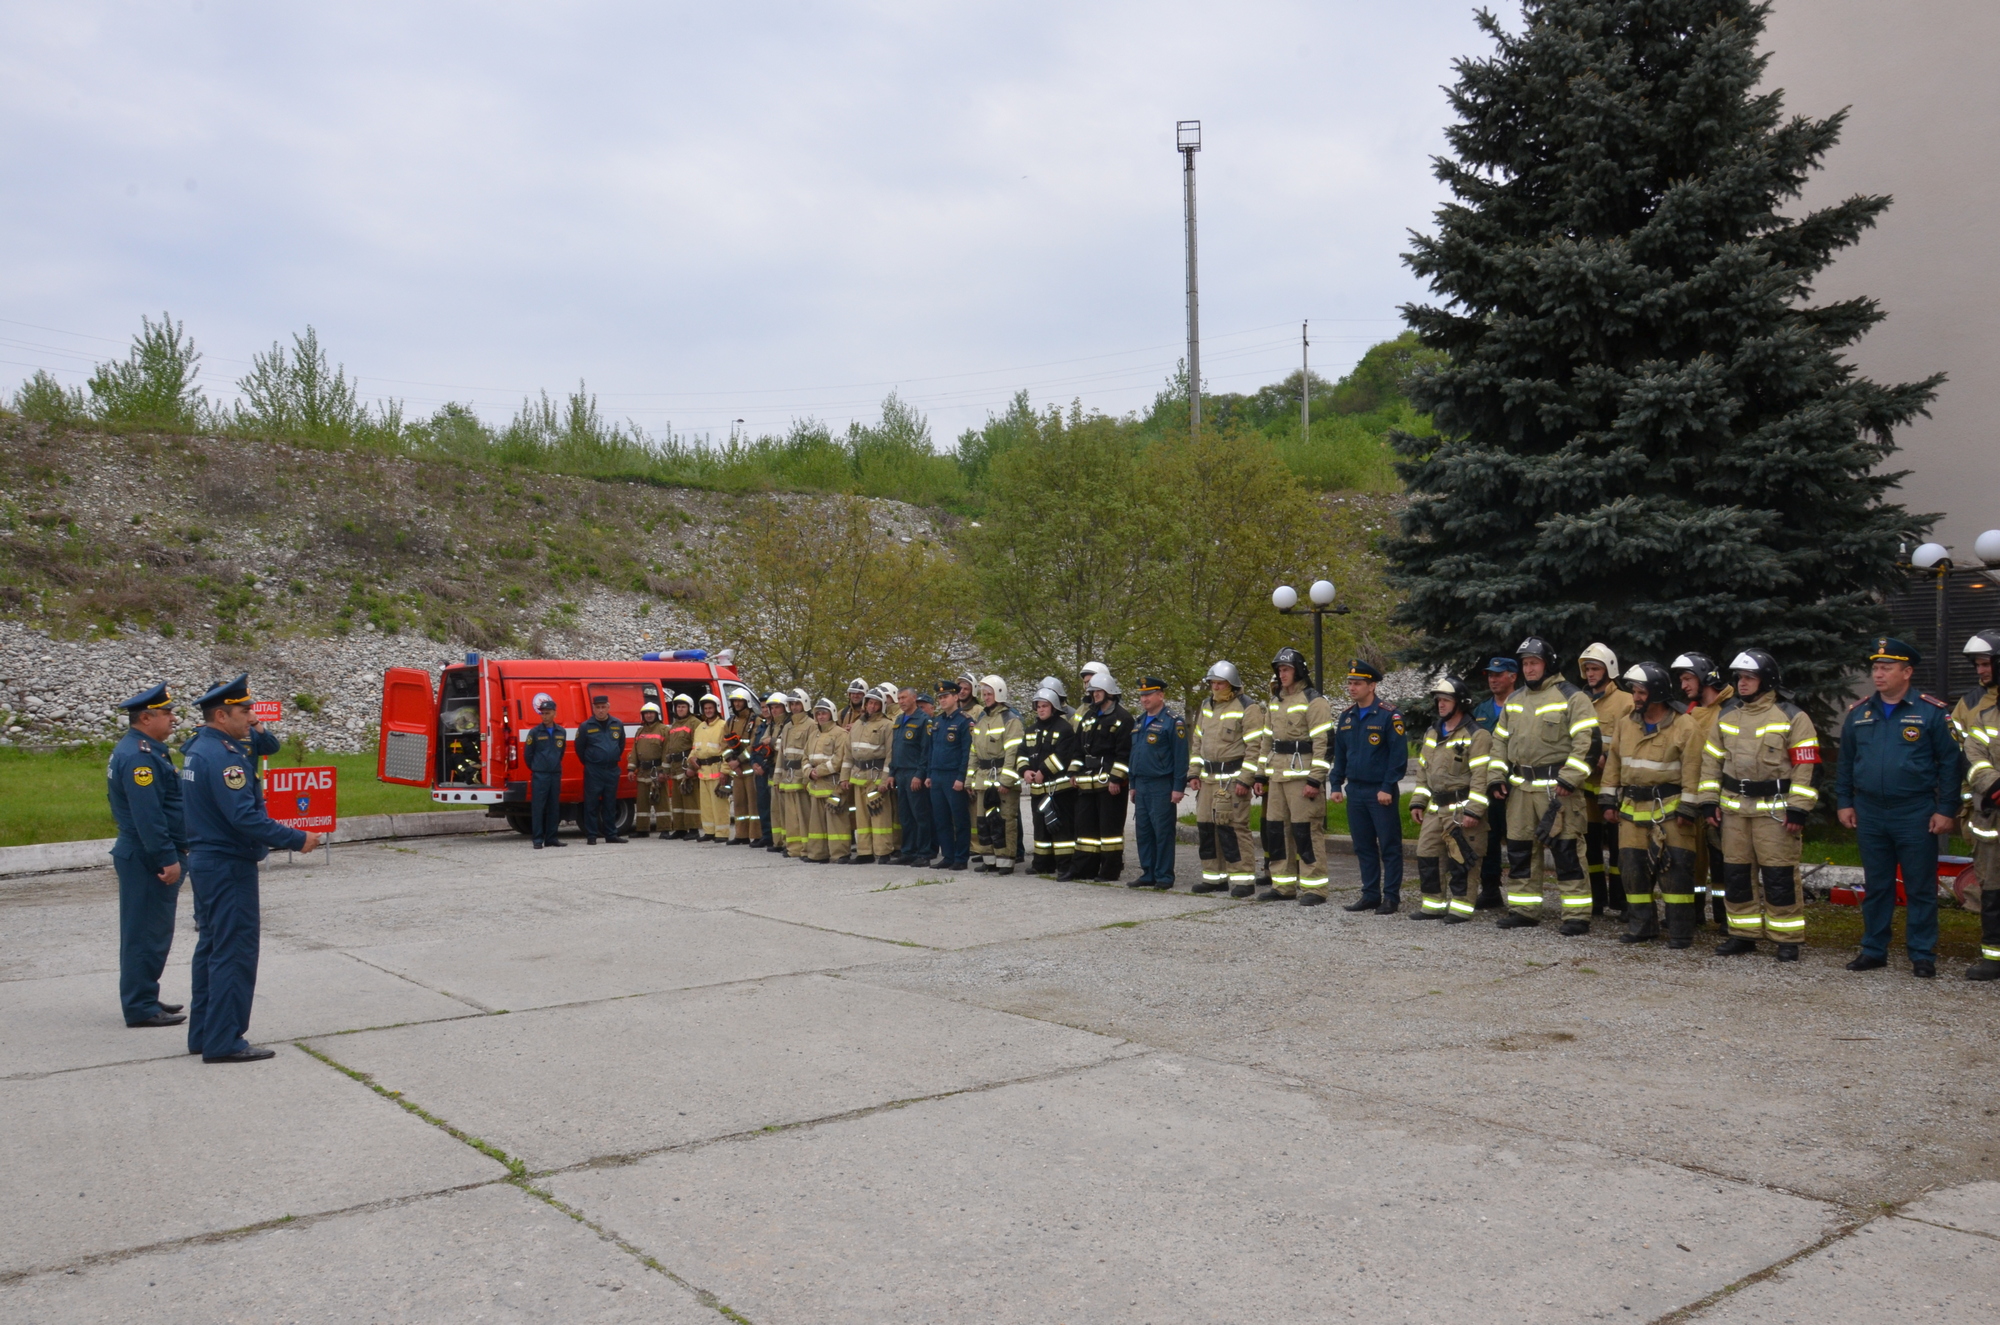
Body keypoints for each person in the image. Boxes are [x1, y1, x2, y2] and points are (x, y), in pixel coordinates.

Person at [181, 674, 321, 1063]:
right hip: (228, 864)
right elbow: (244, 817)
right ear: (222, 715)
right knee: (234, 951)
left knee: (211, 947)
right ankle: (225, 1040)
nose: (252, 717)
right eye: (245, 711)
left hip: (209, 861)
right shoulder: (224, 757)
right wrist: (297, 838)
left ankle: (205, 1032)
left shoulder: (198, 748)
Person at [1835, 637, 1960, 978]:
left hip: (1915, 811)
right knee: (1877, 885)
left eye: (1886, 668)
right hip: (1870, 811)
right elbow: (1846, 762)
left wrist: (1946, 809)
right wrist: (1844, 802)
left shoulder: (1930, 712)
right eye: (1876, 667)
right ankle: (1874, 949)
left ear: (1907, 672)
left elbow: (1950, 764)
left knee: (1920, 886)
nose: (1878, 674)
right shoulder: (1859, 713)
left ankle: (1922, 953)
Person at [1695, 649, 1819, 961]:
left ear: (1767, 681)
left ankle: (1786, 938)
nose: (1742, 683)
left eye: (1750, 677)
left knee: (1779, 877)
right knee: (1736, 875)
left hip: (1776, 812)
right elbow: (1711, 761)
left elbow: (1807, 768)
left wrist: (1799, 808)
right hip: (1735, 811)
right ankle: (1743, 934)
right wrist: (1709, 802)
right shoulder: (1727, 715)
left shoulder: (1792, 717)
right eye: (1739, 678)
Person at [1488, 638, 1600, 933]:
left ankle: (1576, 915)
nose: (1529, 668)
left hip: (1558, 792)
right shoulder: (1515, 700)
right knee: (1520, 851)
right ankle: (1524, 910)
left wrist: (1570, 779)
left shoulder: (1572, 697)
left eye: (1534, 662)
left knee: (1566, 852)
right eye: (1525, 663)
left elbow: (1588, 743)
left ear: (1547, 663)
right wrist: (1496, 777)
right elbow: (1500, 741)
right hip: (1521, 790)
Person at [1598, 662, 1702, 947]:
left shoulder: (1684, 725)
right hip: (1631, 810)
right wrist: (1607, 800)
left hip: (1670, 810)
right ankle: (1641, 926)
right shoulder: (1626, 724)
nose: (1636, 697)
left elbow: (1695, 770)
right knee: (1632, 872)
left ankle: (1681, 931)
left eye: (1642, 692)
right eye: (1634, 691)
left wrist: (1689, 808)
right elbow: (1614, 765)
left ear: (1657, 693)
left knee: (1676, 873)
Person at [107, 682, 188, 1028]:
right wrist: (166, 858)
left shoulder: (145, 749)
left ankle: (145, 994)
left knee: (151, 930)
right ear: (146, 717)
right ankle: (140, 1006)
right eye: (167, 713)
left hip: (144, 852)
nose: (173, 718)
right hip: (146, 856)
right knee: (146, 933)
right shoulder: (140, 757)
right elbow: (148, 816)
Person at [1409, 676, 1491, 922]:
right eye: (1438, 700)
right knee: (1427, 854)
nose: (1440, 705)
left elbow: (1481, 777)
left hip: (1462, 809)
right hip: (1435, 809)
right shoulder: (1433, 732)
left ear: (1461, 703)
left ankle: (1461, 908)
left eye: (1446, 700)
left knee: (1462, 860)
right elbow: (1423, 771)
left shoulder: (1478, 735)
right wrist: (1417, 801)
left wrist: (1474, 811)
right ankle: (1432, 905)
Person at [1330, 659, 1408, 913]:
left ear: (1371, 686)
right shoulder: (1347, 716)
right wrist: (1335, 784)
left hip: (1380, 791)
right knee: (1363, 845)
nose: (1352, 688)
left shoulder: (1389, 715)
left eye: (1358, 683)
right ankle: (1370, 894)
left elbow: (1398, 757)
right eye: (1350, 683)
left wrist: (1387, 786)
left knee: (1389, 845)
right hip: (1356, 790)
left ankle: (1391, 897)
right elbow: (1340, 754)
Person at [1262, 648, 1336, 906]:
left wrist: (1315, 779)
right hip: (1278, 776)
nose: (1281, 674)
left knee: (1305, 831)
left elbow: (1324, 743)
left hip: (1302, 777)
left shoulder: (1315, 701)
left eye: (1286, 669)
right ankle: (1282, 886)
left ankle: (1314, 888)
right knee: (1276, 830)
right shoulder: (1275, 701)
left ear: (1299, 670)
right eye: (1279, 670)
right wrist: (1261, 775)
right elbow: (1266, 740)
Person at [1186, 661, 1265, 896]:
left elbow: (1255, 747)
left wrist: (1245, 779)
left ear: (1232, 684)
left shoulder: (1248, 707)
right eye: (1213, 683)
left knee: (1234, 828)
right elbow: (1197, 742)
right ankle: (1214, 878)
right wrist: (1193, 772)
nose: (1216, 687)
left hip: (1232, 779)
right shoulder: (1206, 705)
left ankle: (1243, 880)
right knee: (1206, 828)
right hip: (1208, 778)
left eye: (1220, 683)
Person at [1672, 651, 1733, 927]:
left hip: (1721, 800)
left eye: (1688, 678)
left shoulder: (1730, 710)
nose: (1683, 685)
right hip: (1692, 797)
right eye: (1681, 680)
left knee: (1722, 861)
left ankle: (1725, 916)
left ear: (1704, 677)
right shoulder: (1691, 712)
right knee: (1692, 861)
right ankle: (1695, 913)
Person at [1577, 642, 1635, 918]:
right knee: (1590, 848)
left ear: (1609, 670)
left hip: (1615, 788)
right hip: (1587, 788)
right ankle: (1596, 899)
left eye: (1595, 668)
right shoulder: (1581, 701)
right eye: (1587, 669)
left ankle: (1621, 902)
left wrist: (1608, 760)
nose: (1590, 674)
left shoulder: (1626, 701)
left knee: (1619, 847)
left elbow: (1633, 741)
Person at [1957, 630, 2000, 980]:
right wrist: (1993, 786)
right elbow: (1972, 754)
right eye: (1979, 665)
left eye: (1986, 664)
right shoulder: (1980, 712)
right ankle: (1994, 958)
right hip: (1993, 816)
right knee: (1993, 886)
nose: (1981, 671)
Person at [1071, 674, 1134, 882]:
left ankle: (1109, 870)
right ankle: (1084, 868)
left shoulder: (1123, 718)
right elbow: (1078, 747)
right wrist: (1074, 772)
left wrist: (1116, 778)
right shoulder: (1088, 717)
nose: (1094, 695)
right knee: (1086, 828)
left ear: (1109, 692)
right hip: (1087, 782)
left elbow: (1124, 753)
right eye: (1092, 692)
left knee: (1110, 830)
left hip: (1109, 783)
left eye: (1097, 691)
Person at [1128, 677, 1189, 890]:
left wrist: (1178, 787)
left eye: (1149, 694)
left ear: (1161, 695)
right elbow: (1134, 755)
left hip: (1162, 784)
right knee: (1143, 831)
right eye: (1142, 695)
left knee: (1162, 831)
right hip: (1142, 783)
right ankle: (1148, 873)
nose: (1144, 699)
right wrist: (1132, 784)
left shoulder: (1173, 721)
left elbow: (1181, 757)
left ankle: (1164, 876)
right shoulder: (1139, 721)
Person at [1471, 657, 1520, 909]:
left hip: (1518, 784)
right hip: (1487, 785)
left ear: (1513, 676)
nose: (1493, 679)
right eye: (1490, 674)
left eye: (1499, 674)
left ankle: (1523, 895)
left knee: (1518, 840)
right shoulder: (1481, 711)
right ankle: (1490, 890)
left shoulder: (1523, 705)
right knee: (1488, 839)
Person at [1019, 686, 1082, 878]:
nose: (1041, 709)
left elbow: (1062, 756)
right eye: (1038, 706)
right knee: (1040, 829)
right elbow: (1021, 754)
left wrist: (1042, 771)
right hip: (1038, 790)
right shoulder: (1031, 730)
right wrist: (1025, 770)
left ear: (1054, 707)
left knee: (1061, 830)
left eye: (1044, 706)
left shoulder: (1064, 729)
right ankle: (1042, 863)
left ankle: (1064, 865)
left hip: (1059, 790)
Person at [970, 676, 1026, 874]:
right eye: (983, 694)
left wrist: (1006, 780)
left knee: (1004, 822)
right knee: (983, 821)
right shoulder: (982, 720)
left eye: (989, 694)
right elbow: (974, 752)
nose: (985, 698)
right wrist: (970, 779)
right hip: (983, 778)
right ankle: (989, 859)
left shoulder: (1011, 720)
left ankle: (1005, 861)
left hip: (1002, 776)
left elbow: (1013, 753)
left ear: (999, 694)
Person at [845, 688, 898, 864]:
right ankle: (864, 852)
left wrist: (884, 780)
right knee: (861, 818)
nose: (871, 706)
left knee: (880, 816)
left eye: (875, 703)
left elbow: (891, 755)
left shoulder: (887, 725)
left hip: (876, 778)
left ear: (882, 705)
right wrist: (845, 777)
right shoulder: (857, 725)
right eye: (869, 702)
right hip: (858, 777)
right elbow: (848, 754)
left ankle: (883, 852)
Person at [925, 685, 974, 870]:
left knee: (959, 819)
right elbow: (932, 750)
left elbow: (966, 753)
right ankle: (948, 855)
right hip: (937, 775)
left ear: (955, 697)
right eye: (940, 697)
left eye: (946, 696)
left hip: (954, 775)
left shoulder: (964, 721)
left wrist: (961, 777)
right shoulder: (937, 721)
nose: (942, 700)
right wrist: (929, 774)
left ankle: (961, 858)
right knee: (941, 819)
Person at [804, 698, 852, 862]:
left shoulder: (840, 734)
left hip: (833, 785)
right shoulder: (813, 735)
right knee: (816, 824)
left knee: (836, 822)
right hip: (815, 786)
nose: (820, 716)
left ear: (831, 714)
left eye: (824, 713)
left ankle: (840, 854)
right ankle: (818, 854)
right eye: (818, 714)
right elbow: (804, 758)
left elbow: (839, 760)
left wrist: (819, 771)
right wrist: (809, 772)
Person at [576, 693, 628, 844]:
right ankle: (591, 835)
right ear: (593, 708)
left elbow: (621, 745)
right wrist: (592, 762)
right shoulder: (586, 726)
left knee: (610, 803)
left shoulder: (617, 724)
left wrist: (611, 757)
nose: (600, 710)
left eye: (603, 707)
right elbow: (580, 748)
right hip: (594, 770)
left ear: (608, 707)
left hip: (611, 769)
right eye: (597, 707)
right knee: (591, 803)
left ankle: (611, 834)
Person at [891, 687, 934, 866]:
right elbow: (895, 749)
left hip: (914, 773)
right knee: (905, 816)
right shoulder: (899, 719)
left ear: (914, 698)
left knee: (920, 815)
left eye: (904, 697)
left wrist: (919, 774)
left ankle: (925, 852)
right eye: (899, 698)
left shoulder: (923, 720)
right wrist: (892, 773)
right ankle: (908, 851)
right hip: (900, 772)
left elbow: (926, 751)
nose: (901, 701)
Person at [524, 693, 567, 847]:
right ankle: (537, 839)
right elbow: (528, 754)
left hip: (555, 774)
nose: (545, 716)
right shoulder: (535, 733)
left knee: (554, 807)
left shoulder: (561, 732)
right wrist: (538, 767)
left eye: (548, 713)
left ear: (554, 713)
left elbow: (560, 753)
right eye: (542, 714)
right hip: (540, 774)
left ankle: (551, 838)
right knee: (538, 807)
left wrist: (553, 765)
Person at [723, 684, 762, 845]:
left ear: (747, 702)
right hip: (737, 772)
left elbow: (753, 745)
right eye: (734, 701)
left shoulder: (756, 721)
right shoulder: (730, 721)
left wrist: (738, 761)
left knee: (753, 804)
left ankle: (757, 834)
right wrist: (731, 762)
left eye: (740, 701)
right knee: (738, 804)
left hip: (749, 770)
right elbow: (723, 744)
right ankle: (741, 834)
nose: (737, 704)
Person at [690, 693, 731, 841]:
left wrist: (725, 771)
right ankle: (709, 831)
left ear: (716, 709)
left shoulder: (722, 725)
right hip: (703, 772)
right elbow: (695, 748)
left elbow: (727, 750)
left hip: (717, 769)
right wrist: (691, 759)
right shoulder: (700, 727)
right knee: (706, 806)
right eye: (705, 708)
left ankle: (722, 833)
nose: (707, 711)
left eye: (710, 708)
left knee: (719, 804)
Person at [627, 701, 671, 837]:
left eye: (651, 713)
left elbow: (667, 751)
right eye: (646, 713)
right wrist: (631, 769)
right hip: (642, 771)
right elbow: (634, 751)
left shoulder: (664, 730)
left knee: (661, 801)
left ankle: (664, 829)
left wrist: (664, 771)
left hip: (657, 771)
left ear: (657, 714)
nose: (649, 715)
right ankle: (642, 829)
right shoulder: (640, 731)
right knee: (642, 803)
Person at [779, 691, 814, 859]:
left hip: (801, 776)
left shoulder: (811, 725)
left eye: (797, 704)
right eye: (791, 704)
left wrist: (807, 778)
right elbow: (781, 754)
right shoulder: (787, 726)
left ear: (805, 704)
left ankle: (807, 849)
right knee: (791, 818)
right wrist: (778, 777)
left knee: (805, 816)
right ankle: (793, 848)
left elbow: (811, 753)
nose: (794, 707)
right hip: (788, 776)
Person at [662, 694, 699, 840]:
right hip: (676, 766)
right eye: (678, 707)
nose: (680, 709)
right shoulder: (674, 725)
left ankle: (694, 829)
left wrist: (692, 766)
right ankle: (680, 828)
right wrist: (666, 768)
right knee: (677, 801)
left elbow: (697, 746)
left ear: (689, 708)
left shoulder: (694, 723)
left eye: (683, 706)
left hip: (686, 765)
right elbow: (668, 748)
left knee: (690, 799)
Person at [754, 693, 787, 851]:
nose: (773, 711)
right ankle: (778, 841)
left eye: (776, 707)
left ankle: (788, 842)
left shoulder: (788, 723)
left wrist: (772, 742)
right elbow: (762, 742)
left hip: (785, 770)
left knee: (784, 809)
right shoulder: (771, 725)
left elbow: (785, 745)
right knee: (774, 808)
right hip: (772, 769)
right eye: (771, 708)